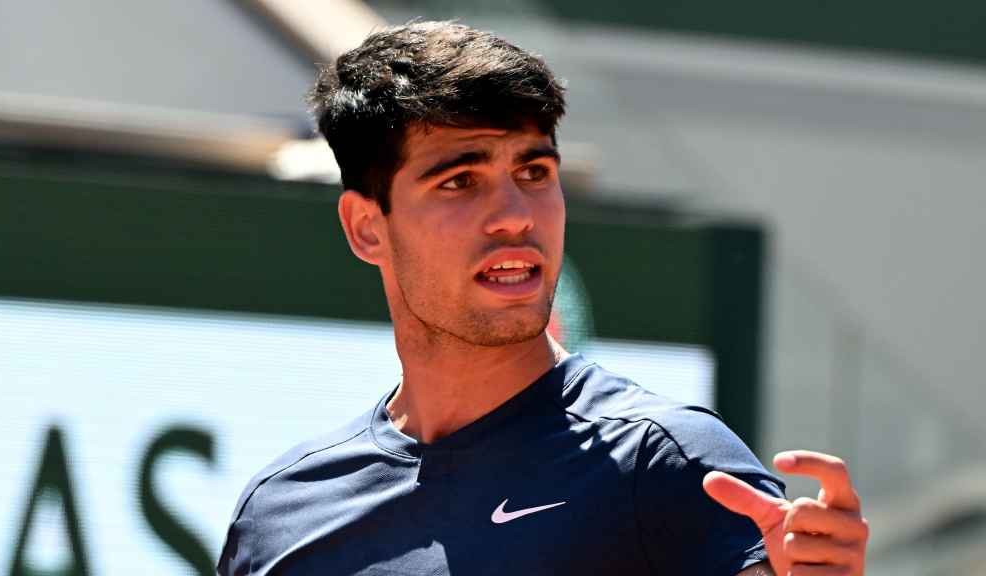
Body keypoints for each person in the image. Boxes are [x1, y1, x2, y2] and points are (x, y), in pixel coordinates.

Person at [217, 21, 868, 575]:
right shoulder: (281, 514)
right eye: (461, 181)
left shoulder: (671, 461)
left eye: (533, 173)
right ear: (366, 226)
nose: (514, 216)